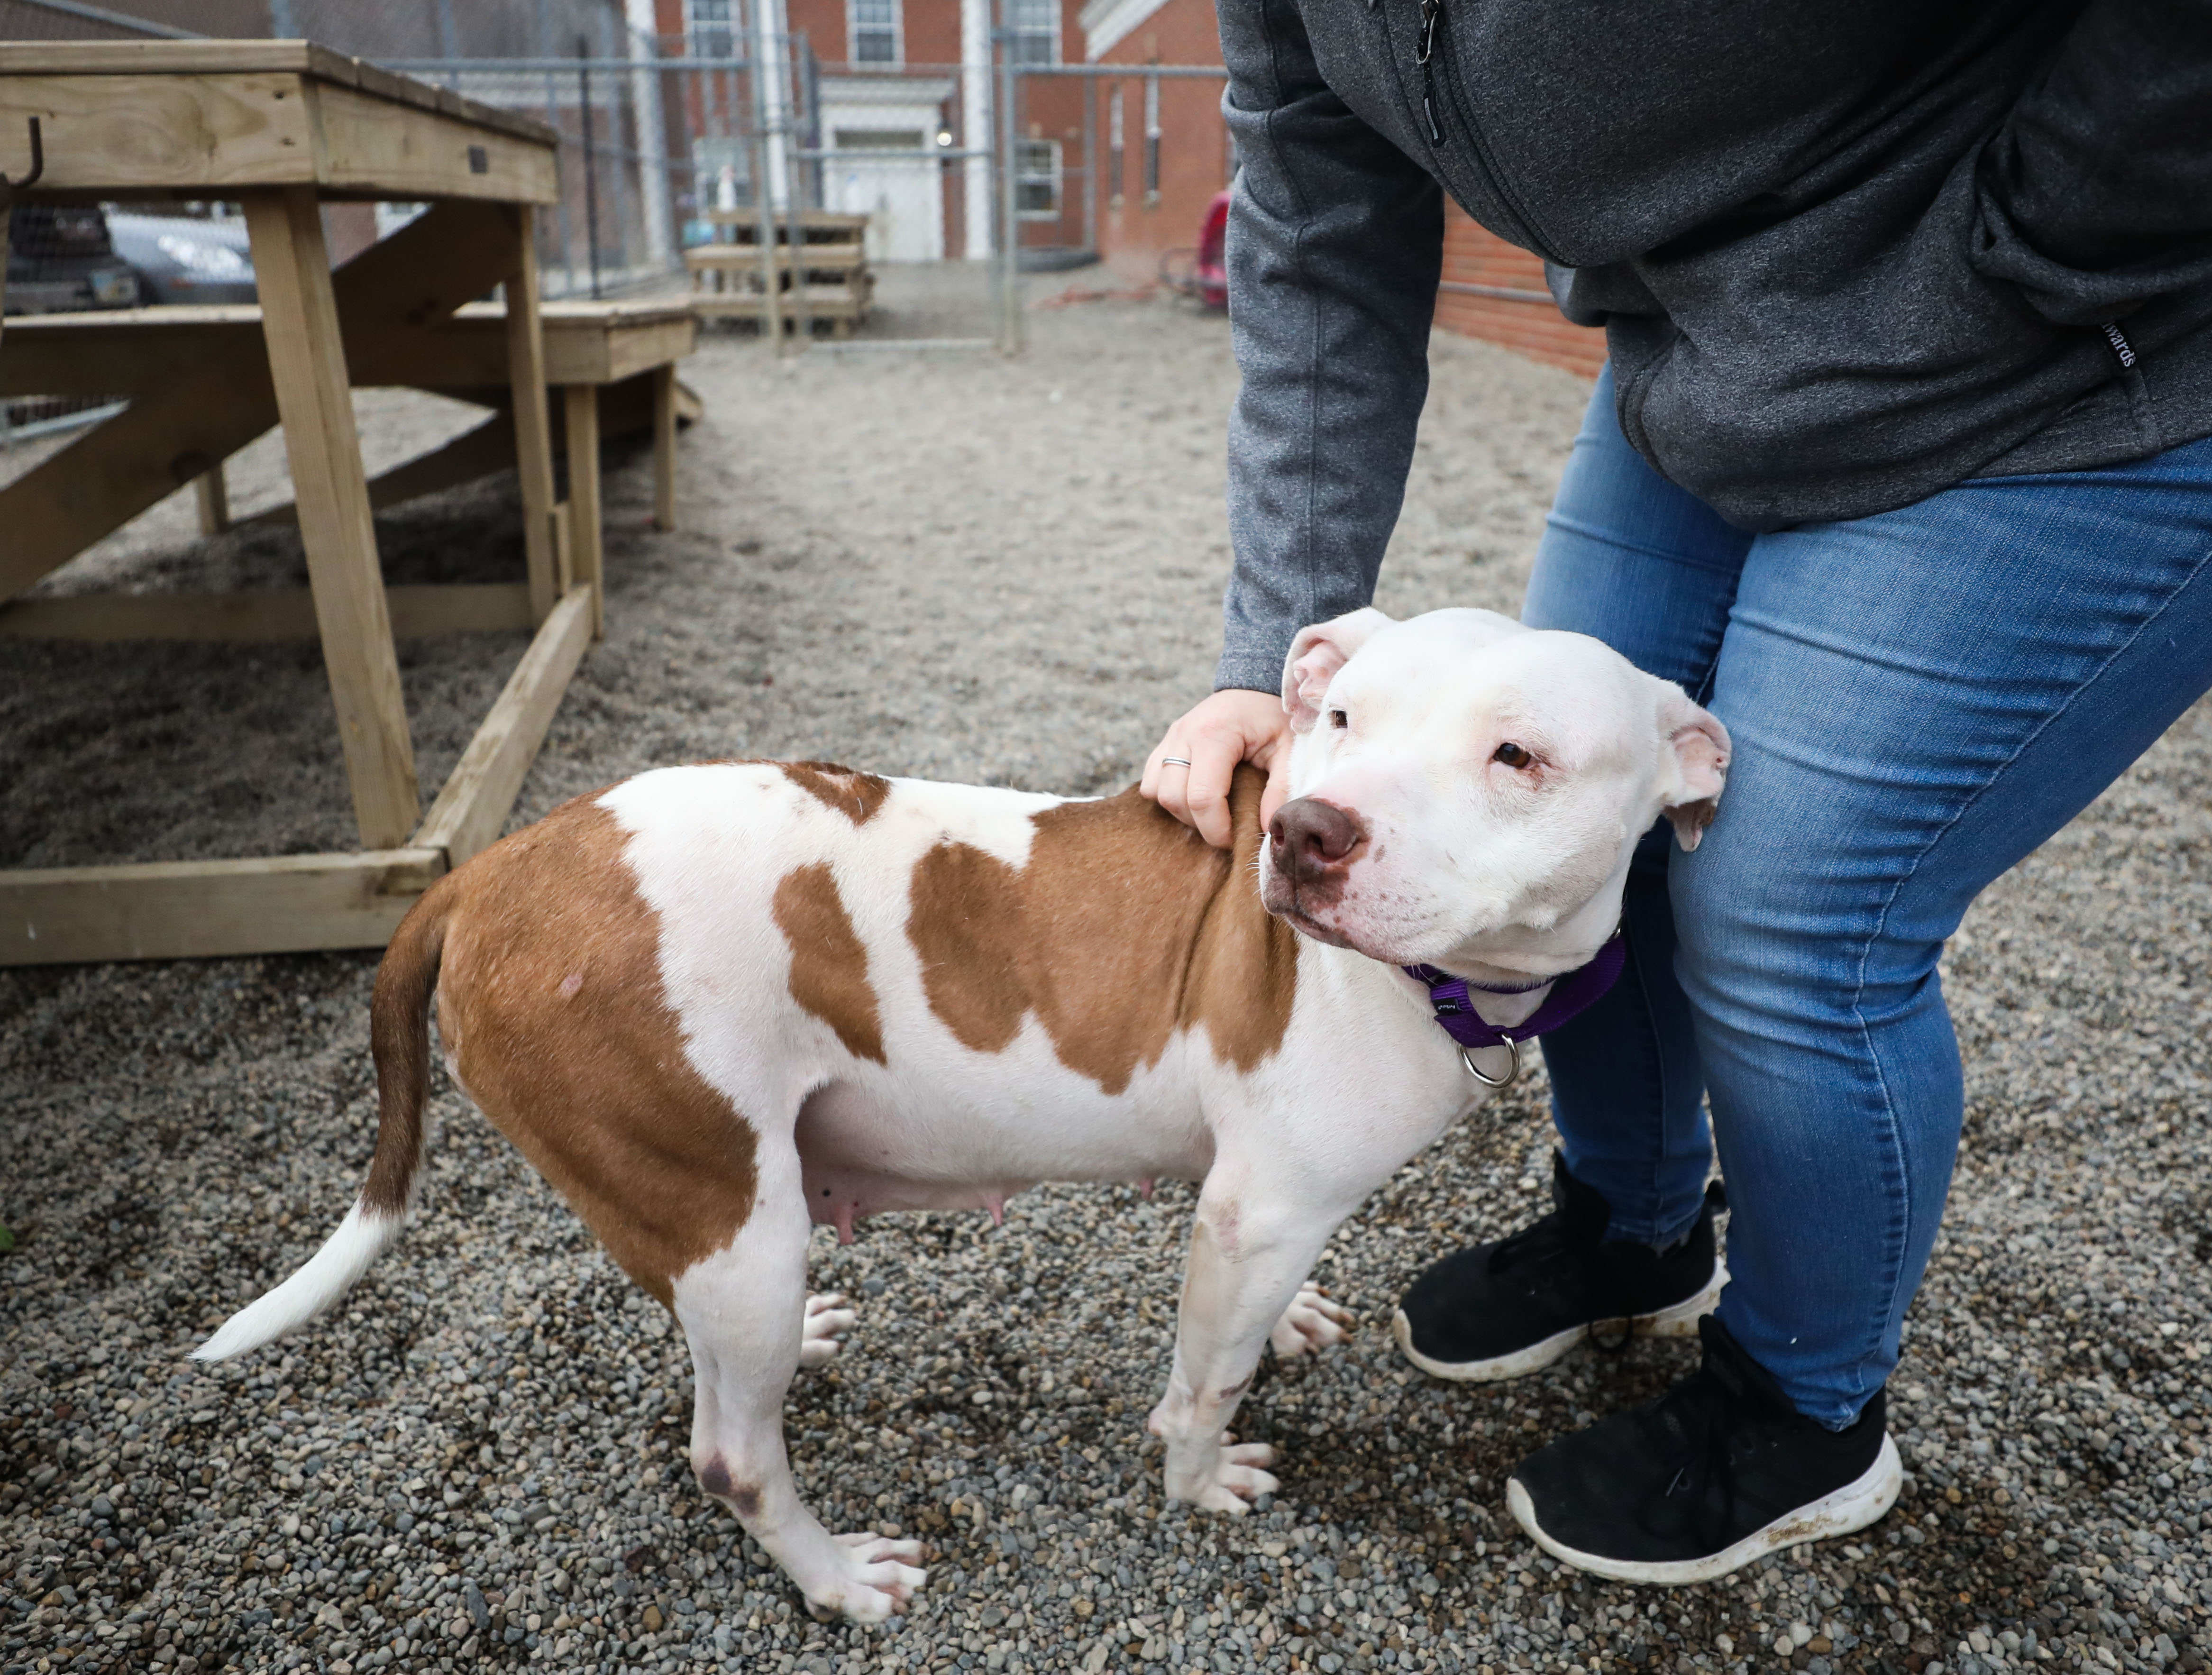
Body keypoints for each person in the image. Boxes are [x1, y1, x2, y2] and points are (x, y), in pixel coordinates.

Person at [1142, 0, 2212, 1583]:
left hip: (2059, 360)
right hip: (1696, 356)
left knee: (1790, 922)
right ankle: (1632, 1232)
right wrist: (1272, 647)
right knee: (1584, 826)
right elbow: (1315, 222)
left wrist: (2038, 244)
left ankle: (1802, 1405)